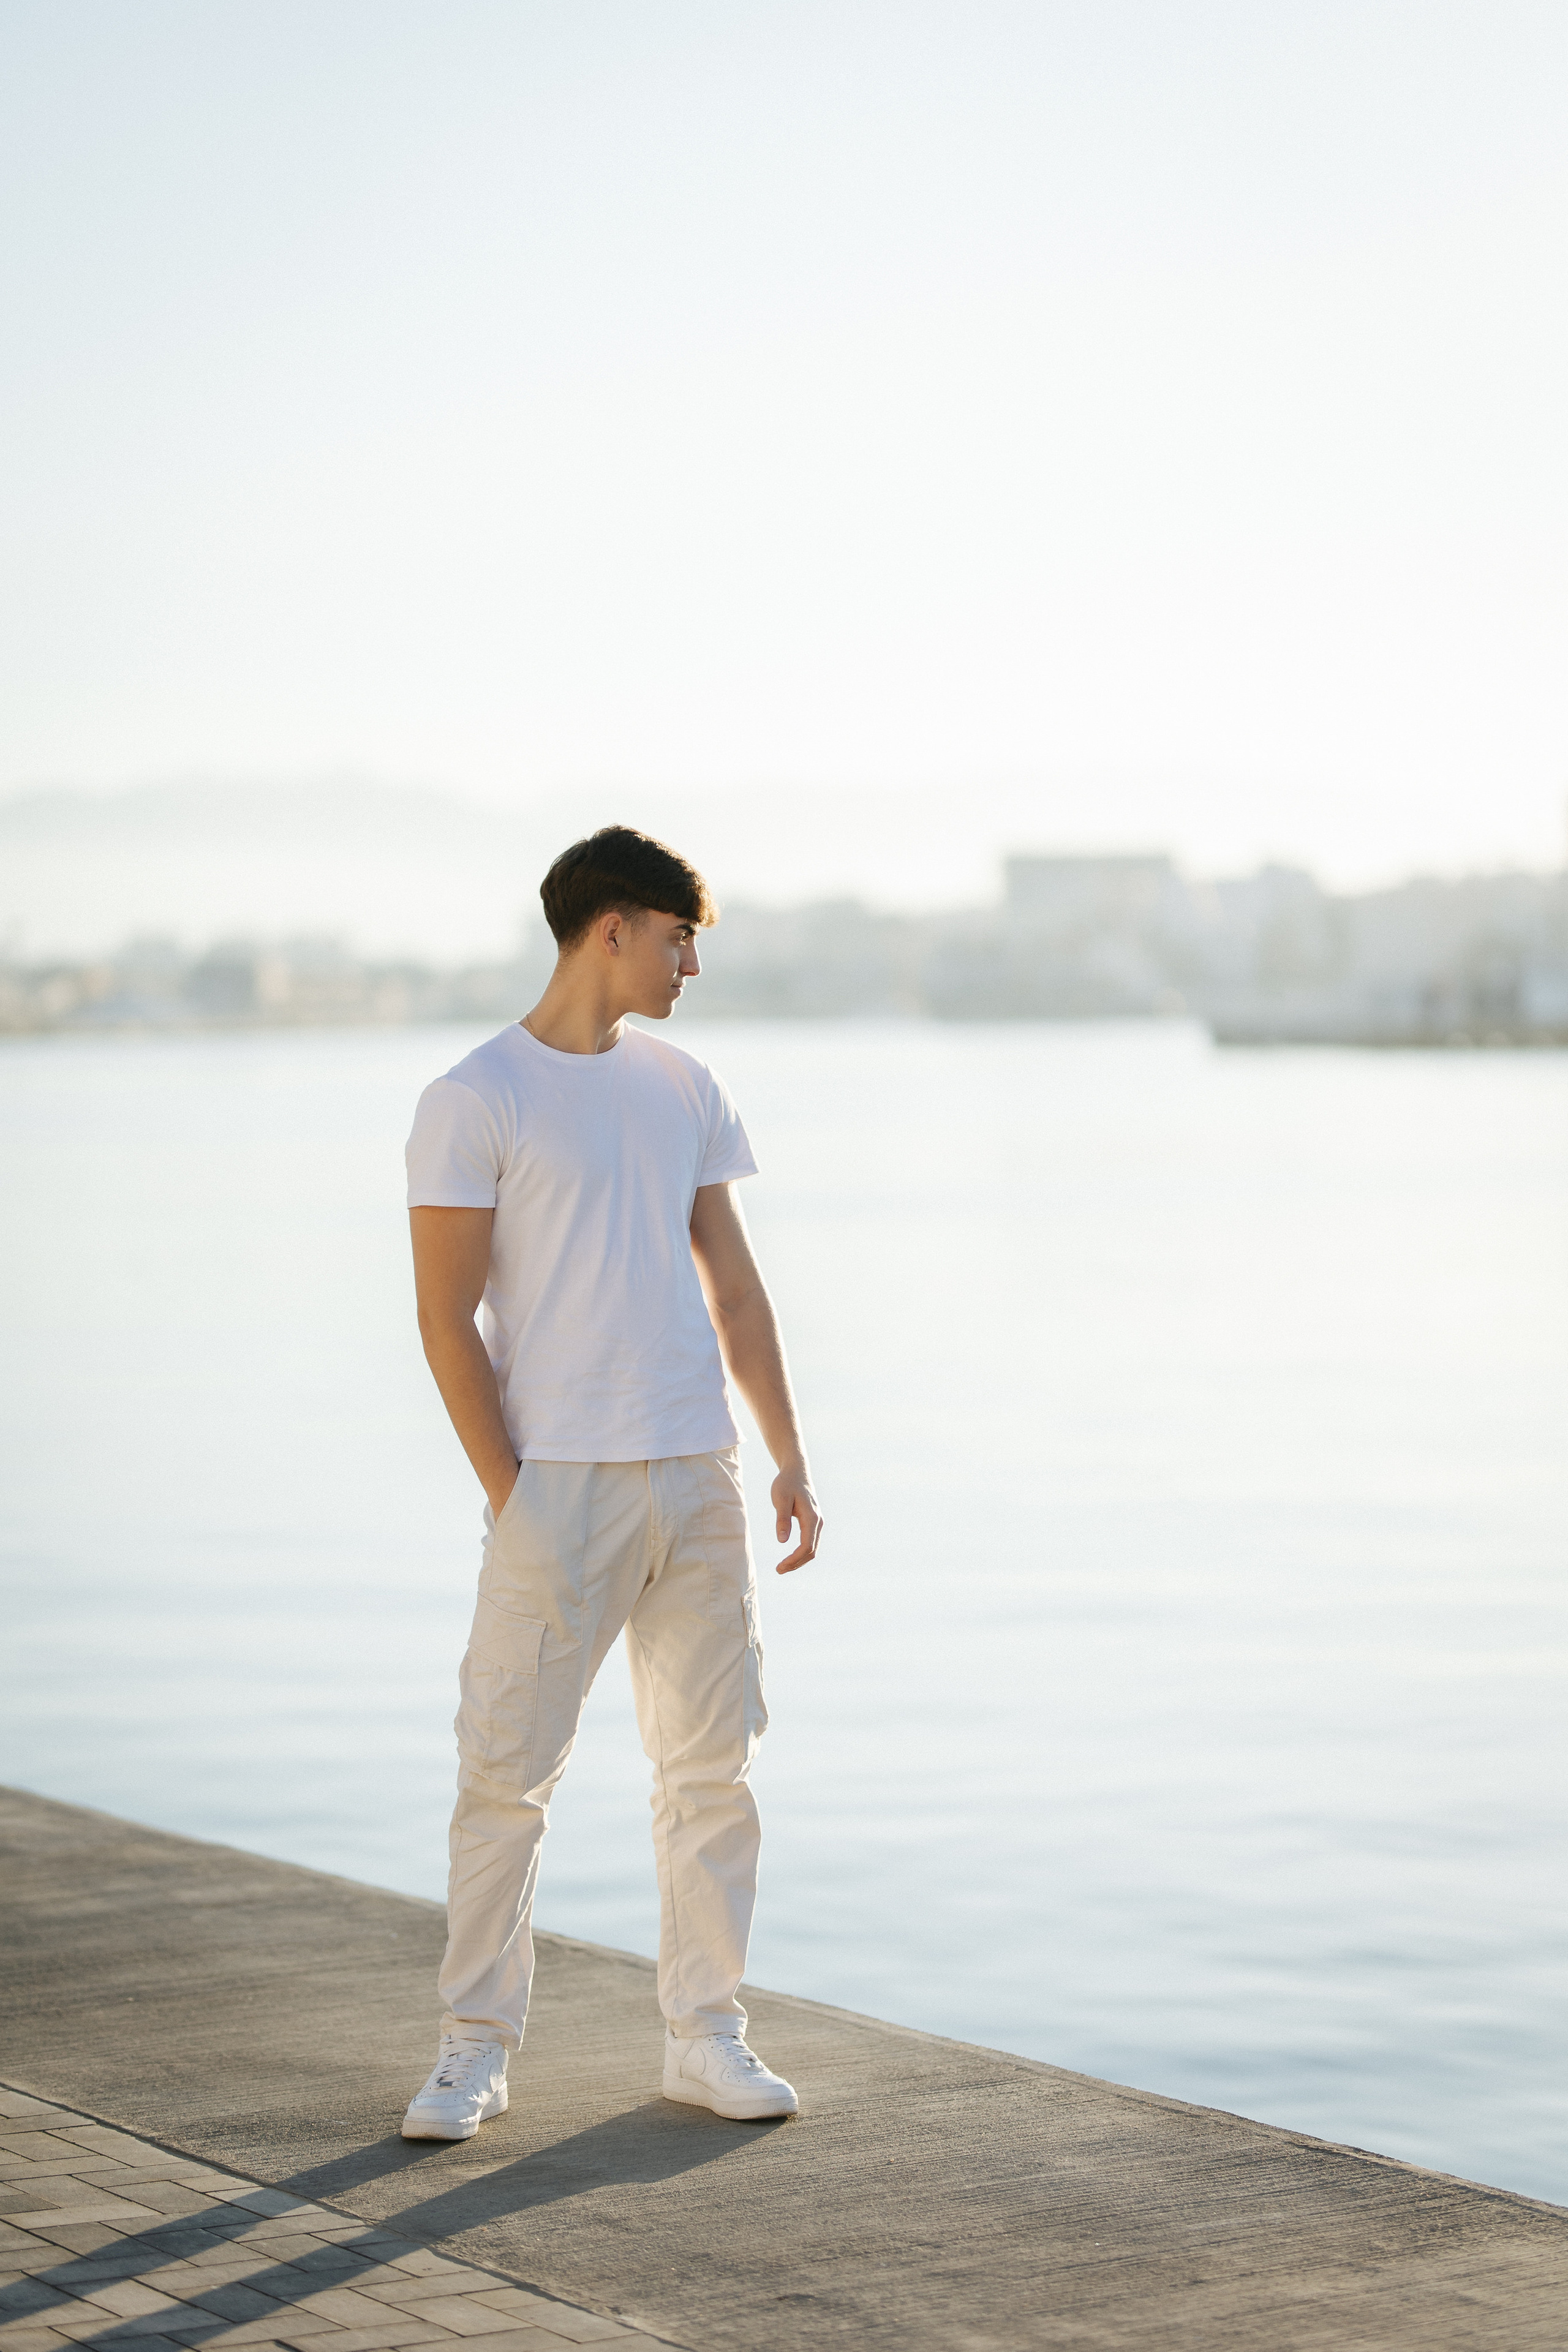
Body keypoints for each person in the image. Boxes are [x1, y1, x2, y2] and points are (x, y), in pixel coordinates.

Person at [399, 825, 822, 2139]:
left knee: (712, 1772)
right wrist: (512, 1493)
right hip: (559, 1489)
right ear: (611, 929)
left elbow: (734, 1288)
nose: (691, 965)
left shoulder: (684, 1086)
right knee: (504, 1778)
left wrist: (787, 1451)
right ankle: (473, 2050)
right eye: (679, 938)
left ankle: (705, 2037)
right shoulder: (474, 1098)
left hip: (695, 1471)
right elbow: (443, 1320)